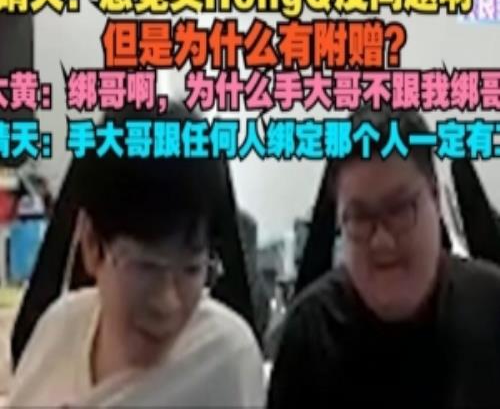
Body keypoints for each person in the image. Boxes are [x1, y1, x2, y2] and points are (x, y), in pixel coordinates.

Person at [8, 107, 265, 407]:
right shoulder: (58, 331)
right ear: (91, 245)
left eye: (192, 269)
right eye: (146, 267)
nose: (167, 302)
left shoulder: (223, 359)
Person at [267, 106, 500, 409]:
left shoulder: (491, 308)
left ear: (435, 199)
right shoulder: (310, 334)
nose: (381, 241)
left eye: (399, 209)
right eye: (360, 217)